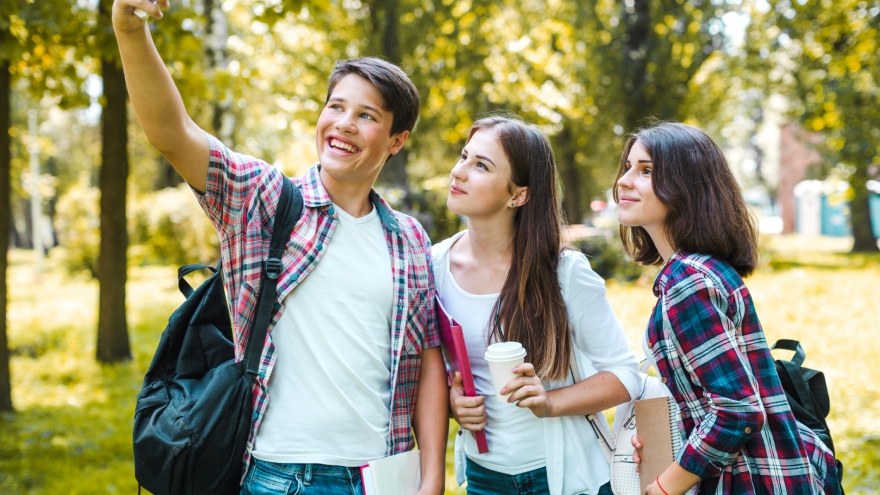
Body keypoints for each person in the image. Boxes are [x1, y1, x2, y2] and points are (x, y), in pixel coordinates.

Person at [111, 2, 449, 494]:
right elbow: (172, 133)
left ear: (397, 141)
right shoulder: (264, 200)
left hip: (382, 476)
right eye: (336, 107)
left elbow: (426, 360)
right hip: (281, 476)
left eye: (366, 115)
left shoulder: (409, 239)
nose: (344, 123)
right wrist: (129, 28)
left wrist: (432, 476)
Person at [615, 122, 842, 495]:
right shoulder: (703, 269)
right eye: (628, 167)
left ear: (685, 186)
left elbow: (736, 412)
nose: (624, 181)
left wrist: (663, 487)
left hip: (749, 480)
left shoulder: (688, 281)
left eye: (646, 170)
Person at [433, 115, 641, 495]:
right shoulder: (434, 266)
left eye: (481, 165)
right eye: (464, 157)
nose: (458, 172)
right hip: (484, 478)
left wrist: (550, 402)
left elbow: (625, 374)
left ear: (518, 195)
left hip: (565, 479)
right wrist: (452, 404)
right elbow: (433, 371)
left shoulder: (563, 271)